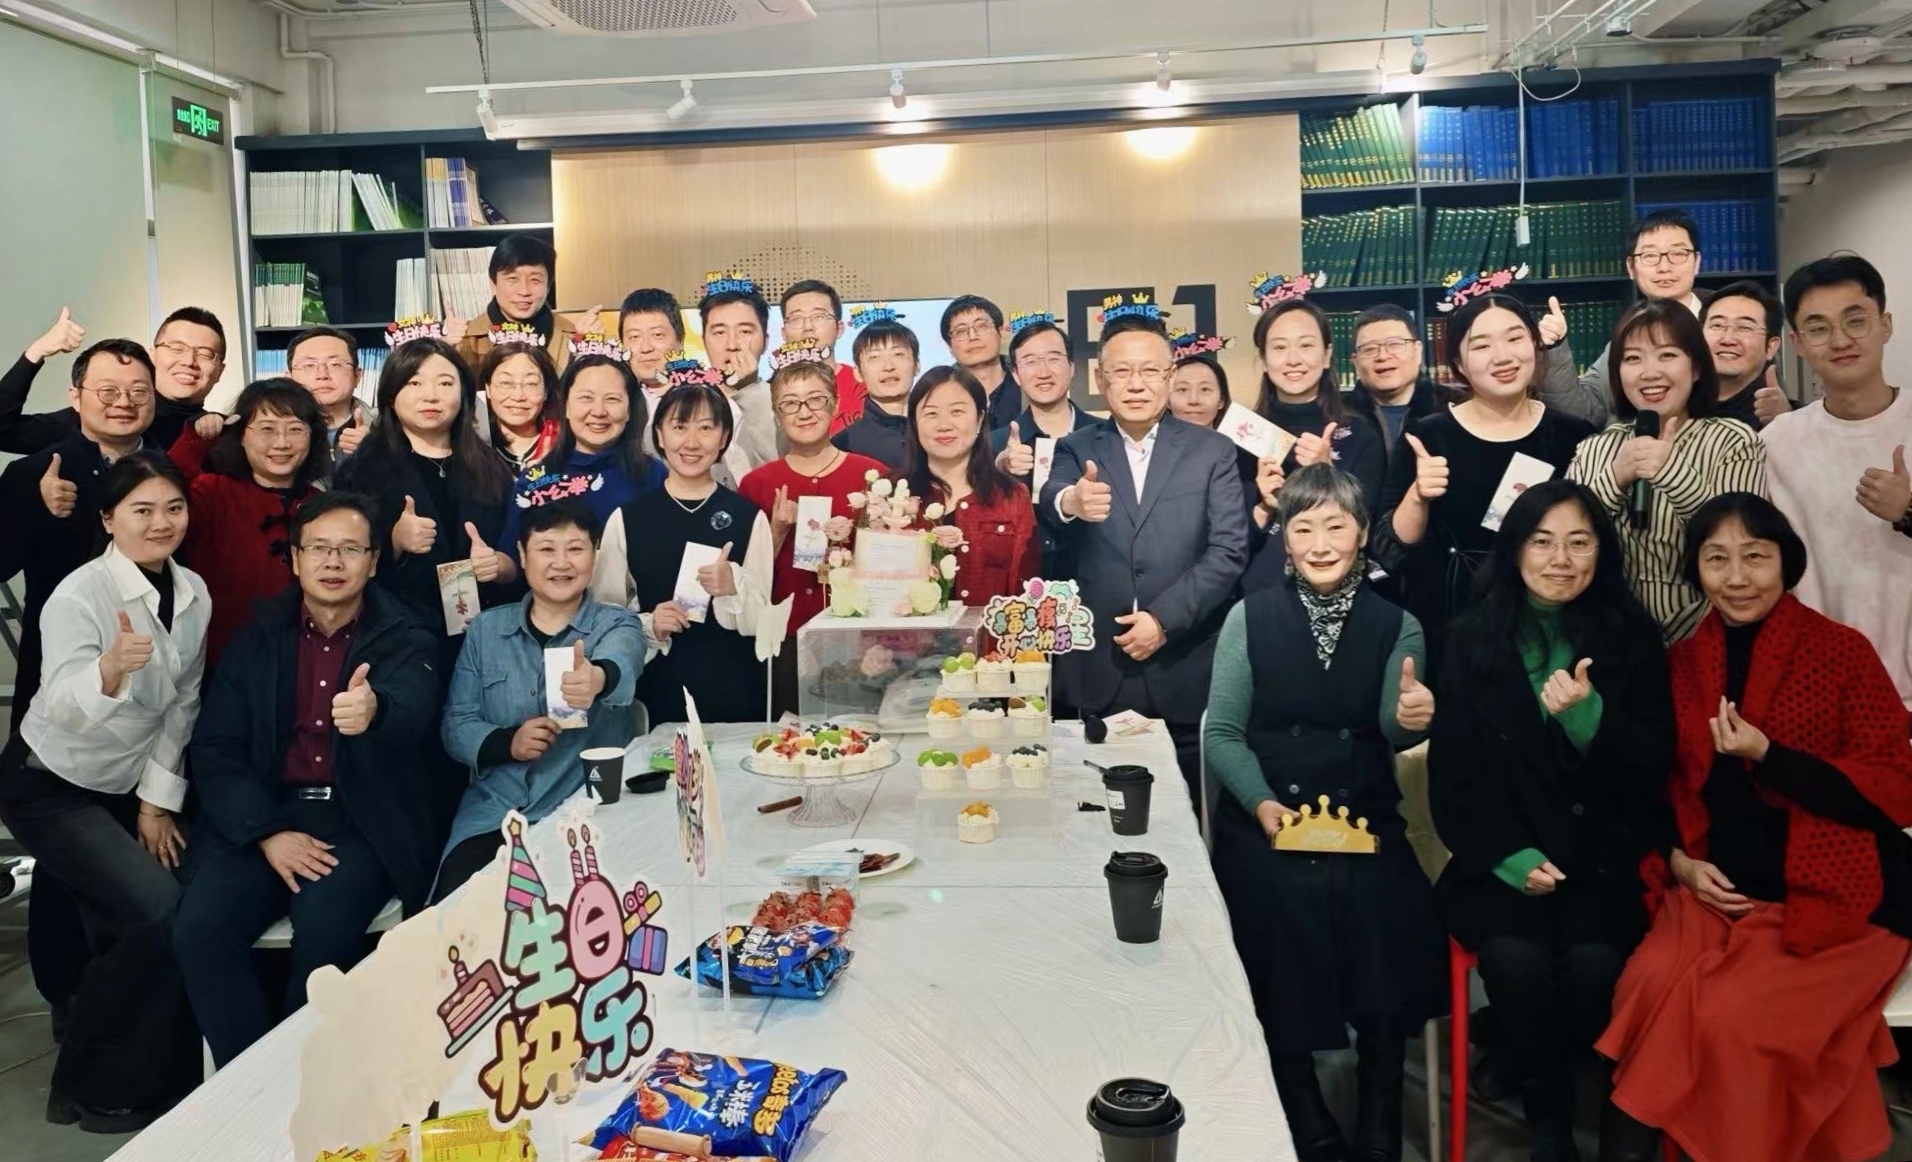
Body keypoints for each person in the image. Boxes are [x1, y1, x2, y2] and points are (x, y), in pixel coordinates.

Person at [1594, 493, 1912, 1162]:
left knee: (1727, 1018)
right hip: (1717, 893)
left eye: (1755, 557)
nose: (1737, 578)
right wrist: (1678, 861)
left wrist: (1771, 756)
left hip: (1843, 897)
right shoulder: (1683, 663)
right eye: (1717, 559)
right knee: (1646, 985)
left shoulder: (1842, 651)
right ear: (1696, 570)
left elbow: (1891, 791)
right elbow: (1658, 785)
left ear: (1785, 563)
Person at [1204, 464, 1447, 1162]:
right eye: (1302, 527)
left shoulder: (1398, 624)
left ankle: (1380, 1108)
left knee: (1387, 907)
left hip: (1362, 815)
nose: (1319, 543)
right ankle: (1300, 1100)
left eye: (1336, 526)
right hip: (1268, 816)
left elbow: (1392, 728)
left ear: (1363, 533)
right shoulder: (1249, 617)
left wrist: (1414, 717)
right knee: (1273, 904)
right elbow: (1223, 734)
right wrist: (1263, 804)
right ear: (1284, 539)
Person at [1428, 479, 1675, 1162]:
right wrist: (1507, 856)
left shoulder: (1632, 637)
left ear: (1602, 552)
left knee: (1595, 967)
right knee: (1516, 961)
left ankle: (1525, 1058)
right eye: (1542, 542)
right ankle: (1548, 1123)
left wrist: (1589, 720)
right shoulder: (1471, 640)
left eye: (1579, 542)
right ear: (1515, 550)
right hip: (1501, 857)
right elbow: (1455, 775)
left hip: (1601, 858)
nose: (1561, 559)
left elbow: (1655, 763)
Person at [176, 491, 444, 1068]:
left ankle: (302, 1083)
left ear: (374, 561)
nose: (333, 562)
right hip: (265, 817)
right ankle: (252, 1085)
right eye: (319, 548)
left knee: (325, 935)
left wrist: (376, 711)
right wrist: (267, 832)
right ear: (295, 558)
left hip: (357, 821)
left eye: (350, 549)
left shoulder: (407, 633)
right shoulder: (257, 635)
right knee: (199, 928)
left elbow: (417, 706)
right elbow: (217, 747)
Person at [0, 453, 207, 1132]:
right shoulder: (80, 594)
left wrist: (155, 803)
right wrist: (109, 672)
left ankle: (154, 1073)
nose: (160, 523)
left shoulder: (194, 591)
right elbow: (59, 706)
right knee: (154, 911)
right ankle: (86, 1086)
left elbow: (183, 704)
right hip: (49, 783)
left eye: (172, 508)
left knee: (158, 916)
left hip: (122, 785)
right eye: (141, 510)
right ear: (109, 519)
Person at [1040, 305, 1251, 796]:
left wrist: (1164, 620)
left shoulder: (1211, 450)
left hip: (1181, 662)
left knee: (1188, 808)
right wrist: (1072, 501)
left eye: (1150, 371)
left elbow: (1228, 551)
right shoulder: (1075, 447)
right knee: (1092, 808)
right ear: (1101, 379)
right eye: (1122, 372)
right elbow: (1053, 495)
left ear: (1169, 376)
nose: (1136, 384)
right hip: (1099, 671)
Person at [436, 498, 646, 902]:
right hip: (495, 815)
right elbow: (456, 722)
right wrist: (506, 743)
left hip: (588, 812)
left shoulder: (617, 622)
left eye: (576, 548)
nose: (561, 563)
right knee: (461, 908)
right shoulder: (485, 630)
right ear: (521, 554)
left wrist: (597, 678)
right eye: (546, 549)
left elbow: (623, 658)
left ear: (595, 553)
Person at [1372, 294, 1599, 662]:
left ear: (1535, 344)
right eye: (1481, 345)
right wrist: (1418, 496)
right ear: (1458, 363)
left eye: (1515, 338)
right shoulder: (1427, 437)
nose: (1502, 356)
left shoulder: (1574, 437)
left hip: (1552, 639)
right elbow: (1387, 553)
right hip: (1450, 637)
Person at [1761, 253, 1912, 711]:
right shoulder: (1777, 444)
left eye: (1855, 320)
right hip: (1821, 693)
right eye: (1819, 328)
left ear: (1885, 325)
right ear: (1797, 344)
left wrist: (1908, 511)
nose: (1841, 340)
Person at [1567, 300, 1767, 641]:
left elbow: (1741, 543)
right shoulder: (1594, 449)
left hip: (1708, 634)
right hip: (1611, 642)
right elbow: (1566, 544)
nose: (1649, 373)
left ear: (1696, 368)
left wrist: (1673, 473)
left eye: (1667, 355)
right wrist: (1615, 477)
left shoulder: (1734, 441)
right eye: (1633, 359)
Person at [0, 339, 159, 733]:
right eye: (107, 391)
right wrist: (36, 506)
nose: (124, 402)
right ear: (75, 396)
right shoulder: (35, 472)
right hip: (59, 665)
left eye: (138, 391)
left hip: (155, 665)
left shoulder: (175, 470)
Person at [593, 381, 771, 724]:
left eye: (706, 428)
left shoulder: (749, 517)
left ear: (724, 437)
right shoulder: (628, 519)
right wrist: (649, 624)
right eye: (679, 427)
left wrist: (734, 586)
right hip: (658, 693)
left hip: (737, 693)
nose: (691, 442)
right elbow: (605, 617)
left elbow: (763, 625)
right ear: (659, 435)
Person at [334, 337, 519, 657]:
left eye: (445, 383)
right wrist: (393, 542)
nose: (431, 395)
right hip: (398, 642)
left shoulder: (490, 466)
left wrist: (501, 566)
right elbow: (339, 557)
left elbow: (517, 552)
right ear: (391, 395)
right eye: (414, 383)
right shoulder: (363, 468)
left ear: (464, 394)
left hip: (483, 638)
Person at [738, 346, 888, 715]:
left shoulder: (871, 476)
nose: (804, 412)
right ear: (777, 415)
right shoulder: (756, 485)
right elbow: (744, 582)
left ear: (835, 404)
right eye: (790, 404)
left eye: (815, 400)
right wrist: (774, 534)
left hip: (859, 644)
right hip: (782, 644)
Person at [168, 378, 331, 665]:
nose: (281, 443)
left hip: (303, 660)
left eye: (295, 429)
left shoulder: (324, 505)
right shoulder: (212, 492)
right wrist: (196, 440)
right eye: (267, 429)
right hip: (223, 659)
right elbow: (161, 492)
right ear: (242, 435)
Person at [1548, 209, 1709, 428]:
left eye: (1678, 254)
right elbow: (1587, 412)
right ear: (1631, 268)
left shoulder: (1727, 327)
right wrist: (1555, 347)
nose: (1664, 267)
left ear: (1697, 262)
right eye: (1650, 256)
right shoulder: (1626, 339)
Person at [499, 348, 666, 550]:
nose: (599, 411)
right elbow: (512, 556)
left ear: (630, 409)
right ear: (566, 406)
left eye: (612, 399)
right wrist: (493, 562)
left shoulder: (655, 475)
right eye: (586, 398)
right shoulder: (535, 481)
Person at [0, 307, 223, 455]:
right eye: (176, 348)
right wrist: (37, 352)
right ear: (153, 356)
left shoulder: (221, 433)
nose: (188, 361)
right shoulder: (104, 415)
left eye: (205, 354)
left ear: (220, 371)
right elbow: (4, 432)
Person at [906, 366, 1039, 606]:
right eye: (931, 413)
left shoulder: (1012, 497)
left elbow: (1025, 594)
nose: (944, 425)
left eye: (957, 411)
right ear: (915, 423)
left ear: (979, 419)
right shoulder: (892, 496)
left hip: (991, 631)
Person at [1252, 297, 1387, 517]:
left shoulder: (1360, 436)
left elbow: (1368, 525)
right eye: (1280, 347)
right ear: (1264, 360)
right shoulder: (1242, 437)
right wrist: (1263, 508)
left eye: (1306, 345)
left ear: (1326, 355)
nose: (1293, 359)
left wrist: (1328, 473)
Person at [445, 233, 594, 373]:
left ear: (548, 287)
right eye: (512, 279)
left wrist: (591, 350)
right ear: (493, 285)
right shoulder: (465, 339)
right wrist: (444, 350)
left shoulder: (574, 337)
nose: (524, 291)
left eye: (535, 280)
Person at [1342, 303, 1460, 466]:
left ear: (1417, 351)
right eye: (1369, 349)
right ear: (1355, 362)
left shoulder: (1456, 408)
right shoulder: (1335, 414)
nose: (1383, 356)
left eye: (1395, 344)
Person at [697, 272, 778, 468]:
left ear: (766, 341)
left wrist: (749, 390)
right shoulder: (686, 404)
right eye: (719, 332)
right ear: (704, 341)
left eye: (745, 331)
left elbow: (784, 465)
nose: (732, 344)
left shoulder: (787, 403)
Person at [1699, 280, 1792, 430]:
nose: (1728, 339)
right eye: (1717, 325)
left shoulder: (1786, 418)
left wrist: (1787, 425)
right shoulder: (1677, 404)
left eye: (1745, 327)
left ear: (1770, 347)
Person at [832, 311, 919, 472]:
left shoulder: (938, 430)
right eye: (874, 357)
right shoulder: (843, 445)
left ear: (917, 366)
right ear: (858, 373)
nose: (888, 366)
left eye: (898, 354)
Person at [781, 278, 864, 431]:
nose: (808, 327)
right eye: (796, 319)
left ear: (839, 329)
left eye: (819, 317)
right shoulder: (772, 392)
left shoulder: (863, 386)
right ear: (784, 334)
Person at [285, 325, 370, 457]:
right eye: (309, 365)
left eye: (335, 364)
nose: (322, 375)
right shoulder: (269, 433)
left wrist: (375, 452)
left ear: (357, 376)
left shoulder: (388, 427)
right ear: (288, 379)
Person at [942, 294, 1022, 433]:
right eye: (961, 331)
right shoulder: (939, 393)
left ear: (1000, 333)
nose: (973, 337)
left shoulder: (1028, 380)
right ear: (950, 347)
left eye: (981, 326)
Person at [478, 340, 560, 472]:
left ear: (546, 391)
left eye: (531, 384)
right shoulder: (469, 444)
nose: (518, 396)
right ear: (488, 388)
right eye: (506, 383)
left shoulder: (563, 446)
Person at [617, 286, 685, 405]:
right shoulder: (614, 400)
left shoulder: (704, 398)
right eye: (634, 336)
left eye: (657, 335)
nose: (646, 348)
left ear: (680, 341)